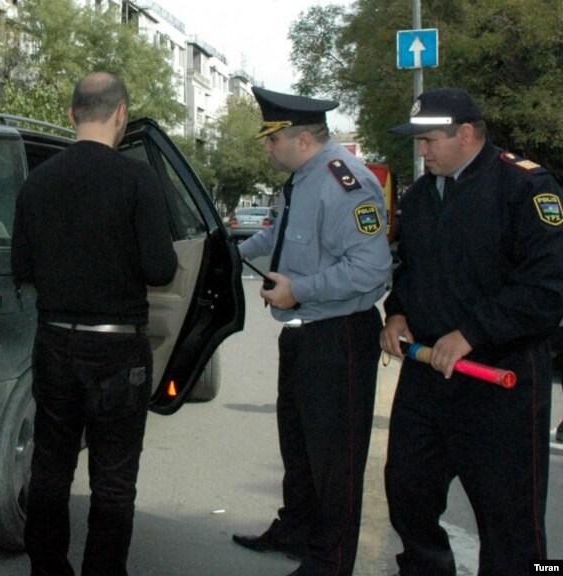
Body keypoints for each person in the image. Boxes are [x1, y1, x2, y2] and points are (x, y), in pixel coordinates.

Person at [380, 87, 563, 575]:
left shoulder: (524, 189)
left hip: (499, 379)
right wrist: (396, 311)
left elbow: (547, 290)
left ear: (465, 134)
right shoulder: (421, 196)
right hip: (428, 376)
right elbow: (410, 269)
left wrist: (473, 332)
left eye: (429, 140)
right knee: (407, 491)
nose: (421, 151)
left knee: (510, 520)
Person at [11, 71, 178, 576]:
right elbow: (161, 269)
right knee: (113, 482)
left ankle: (47, 567)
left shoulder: (37, 180)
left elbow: (22, 268)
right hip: (117, 351)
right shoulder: (137, 179)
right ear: (122, 114)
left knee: (50, 469)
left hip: (55, 343)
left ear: (71, 114)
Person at [233, 86, 393, 576]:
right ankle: (296, 529)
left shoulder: (346, 184)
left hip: (339, 336)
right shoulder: (303, 180)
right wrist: (223, 250)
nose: (266, 147)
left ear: (300, 138)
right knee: (299, 446)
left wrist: (299, 289)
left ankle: (331, 558)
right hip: (304, 335)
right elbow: (274, 237)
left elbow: (371, 269)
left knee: (334, 458)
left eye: (271, 138)